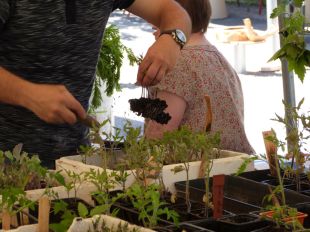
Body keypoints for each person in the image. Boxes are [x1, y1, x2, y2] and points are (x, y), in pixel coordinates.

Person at [0, 0, 191, 168]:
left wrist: (172, 39)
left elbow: (173, 11)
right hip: (8, 166)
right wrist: (28, 94)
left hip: (74, 161)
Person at [144, 0, 255, 155]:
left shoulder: (177, 64)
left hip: (195, 172)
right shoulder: (217, 57)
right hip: (234, 167)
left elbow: (159, 135)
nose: (150, 22)